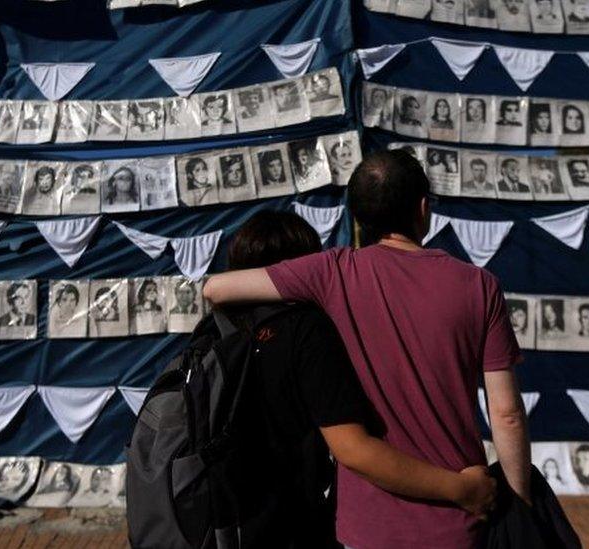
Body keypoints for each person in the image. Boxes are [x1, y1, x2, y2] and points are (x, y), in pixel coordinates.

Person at [204, 151, 529, 548]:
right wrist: (519, 504)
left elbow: (215, 288)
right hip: (459, 516)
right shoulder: (480, 285)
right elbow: (507, 414)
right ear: (423, 208)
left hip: (366, 526)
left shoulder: (332, 272)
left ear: (357, 219)